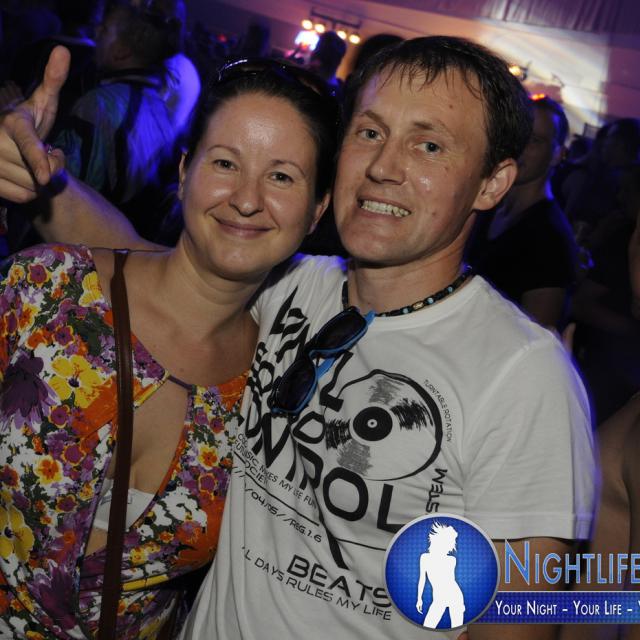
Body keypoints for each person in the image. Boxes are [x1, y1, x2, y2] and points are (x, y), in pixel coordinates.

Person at [0, 37, 595, 640]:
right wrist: (43, 174)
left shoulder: (524, 373)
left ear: (492, 183)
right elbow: (154, 270)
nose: (384, 166)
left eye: (429, 145)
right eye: (370, 132)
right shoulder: (294, 287)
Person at [0, 53, 336, 638]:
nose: (247, 198)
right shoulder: (47, 291)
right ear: (184, 172)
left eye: (282, 177)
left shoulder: (275, 395)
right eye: (225, 162)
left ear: (317, 212)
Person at [467, 95, 578, 330]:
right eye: (519, 133)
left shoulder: (551, 239)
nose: (521, 146)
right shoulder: (486, 204)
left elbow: (538, 335)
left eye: (535, 140)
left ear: (557, 154)